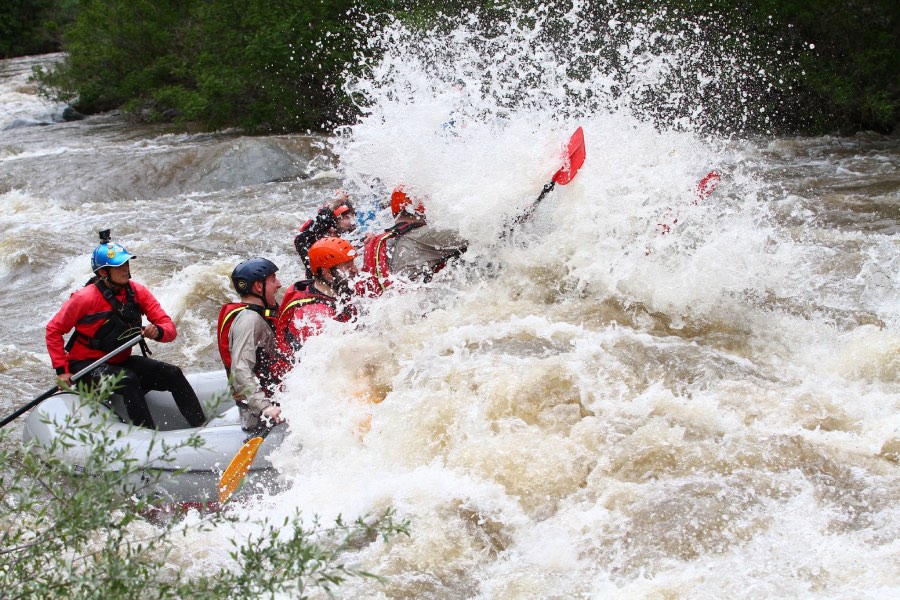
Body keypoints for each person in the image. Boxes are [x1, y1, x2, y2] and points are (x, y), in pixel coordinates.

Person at [45, 230, 206, 429]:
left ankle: (200, 425)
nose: (125, 269)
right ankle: (147, 437)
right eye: (119, 266)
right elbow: (53, 330)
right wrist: (62, 371)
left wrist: (158, 332)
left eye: (126, 264)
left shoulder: (137, 292)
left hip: (119, 361)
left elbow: (169, 328)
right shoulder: (84, 298)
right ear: (103, 272)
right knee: (128, 380)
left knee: (172, 373)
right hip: (86, 367)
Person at [361, 185, 468, 297]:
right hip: (422, 302)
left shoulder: (384, 239)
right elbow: (476, 234)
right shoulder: (424, 234)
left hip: (396, 303)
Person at [217, 257, 284, 432]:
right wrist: (265, 407)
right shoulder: (249, 320)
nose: (279, 284)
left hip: (272, 396)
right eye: (273, 280)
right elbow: (240, 368)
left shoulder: (258, 314)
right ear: (258, 286)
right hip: (261, 412)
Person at [274, 237, 358, 376]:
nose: (355, 270)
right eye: (348, 266)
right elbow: (332, 370)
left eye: (353, 263)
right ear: (326, 272)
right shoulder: (315, 316)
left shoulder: (334, 290)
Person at [294, 191, 358, 279]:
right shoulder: (322, 239)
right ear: (334, 221)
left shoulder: (350, 232)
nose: (351, 221)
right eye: (346, 217)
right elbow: (300, 240)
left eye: (353, 216)